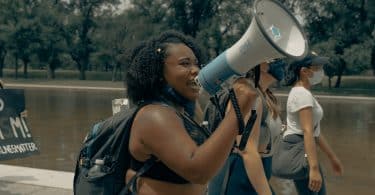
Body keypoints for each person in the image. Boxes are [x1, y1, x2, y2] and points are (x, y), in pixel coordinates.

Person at [124, 30, 257, 195]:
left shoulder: (182, 112)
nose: (196, 70)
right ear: (158, 73)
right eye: (185, 63)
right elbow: (197, 171)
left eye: (196, 64)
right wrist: (237, 111)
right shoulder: (154, 116)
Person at [204, 59, 287, 195]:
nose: (282, 64)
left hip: (254, 172)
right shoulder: (247, 92)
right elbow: (247, 150)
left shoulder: (266, 95)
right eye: (276, 59)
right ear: (262, 64)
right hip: (239, 174)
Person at [280, 53, 344, 194]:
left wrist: (332, 157)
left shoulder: (302, 93)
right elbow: (307, 131)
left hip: (304, 150)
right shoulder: (302, 94)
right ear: (304, 71)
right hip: (302, 150)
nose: (321, 71)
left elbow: (315, 132)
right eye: (317, 68)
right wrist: (314, 169)